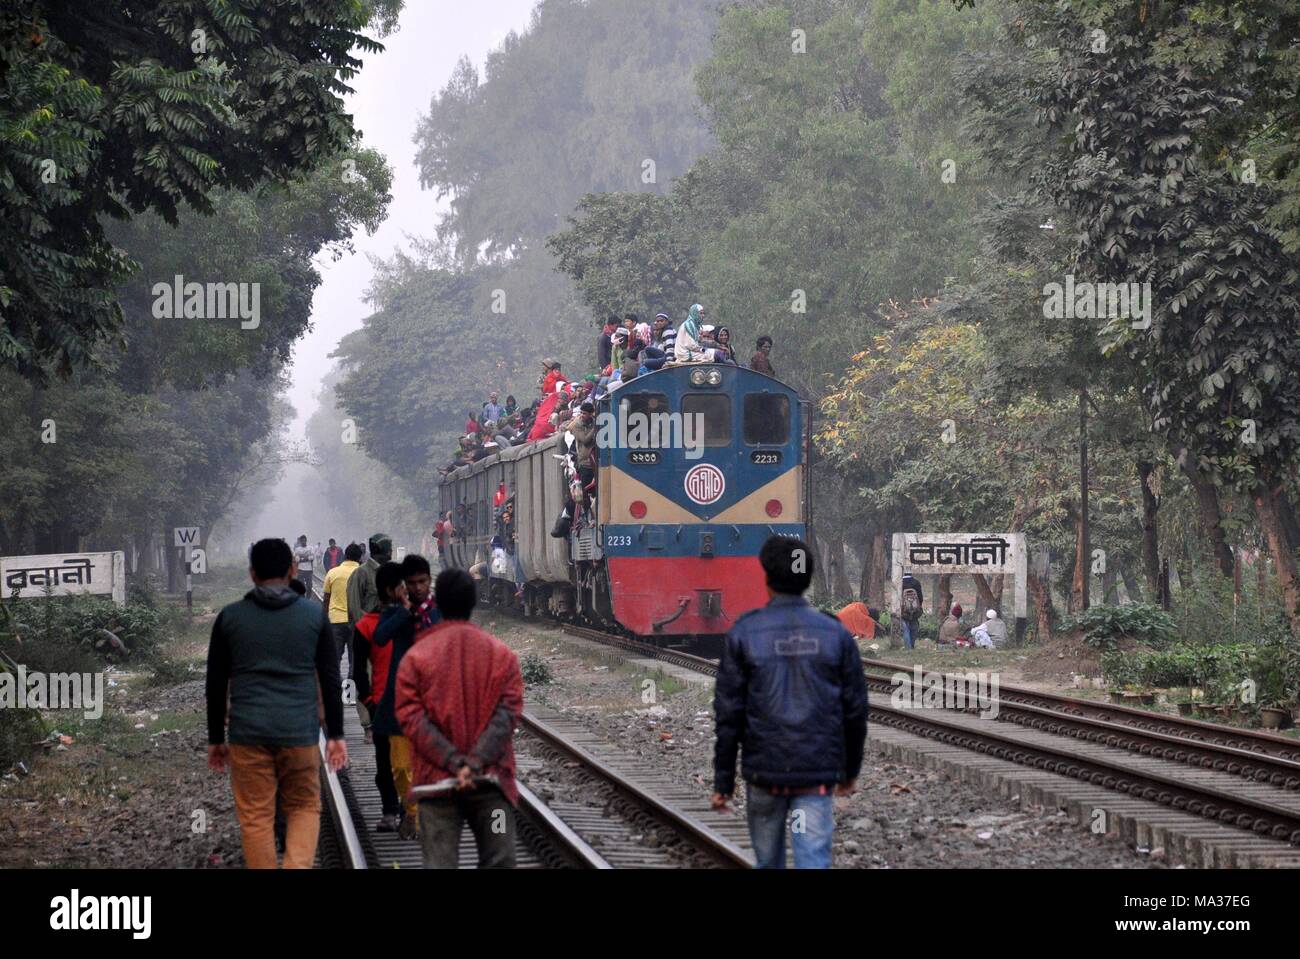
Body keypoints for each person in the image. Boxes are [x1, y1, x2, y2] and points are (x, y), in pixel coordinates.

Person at [711, 536, 868, 869]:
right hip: (816, 775)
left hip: (764, 774)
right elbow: (854, 710)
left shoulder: (745, 632)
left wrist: (723, 782)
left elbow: (729, 715)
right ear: (808, 579)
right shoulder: (836, 634)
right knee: (813, 860)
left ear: (766, 578)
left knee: (768, 863)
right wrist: (850, 770)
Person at [206, 538, 346, 869]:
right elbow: (330, 680)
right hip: (298, 733)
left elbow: (215, 686)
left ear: (252, 574)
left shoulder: (230, 618)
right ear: (293, 570)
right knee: (303, 806)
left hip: (247, 734)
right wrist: (337, 735)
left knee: (256, 816)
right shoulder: (314, 617)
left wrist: (215, 739)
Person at [395, 568, 524, 869]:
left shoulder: (416, 657)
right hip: (492, 786)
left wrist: (454, 763)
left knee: (439, 863)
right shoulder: (501, 655)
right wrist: (475, 763)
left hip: (436, 788)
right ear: (473, 602)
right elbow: (509, 713)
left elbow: (411, 718)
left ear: (437, 601)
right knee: (500, 859)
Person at [373, 554, 440, 839]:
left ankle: (417, 815)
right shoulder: (395, 613)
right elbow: (380, 637)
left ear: (429, 580)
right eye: (411, 584)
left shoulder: (439, 611)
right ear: (403, 586)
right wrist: (403, 610)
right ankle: (411, 810)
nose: (418, 588)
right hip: (400, 701)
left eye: (422, 582)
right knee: (400, 766)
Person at [352, 561, 405, 832]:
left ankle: (406, 811)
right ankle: (389, 811)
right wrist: (369, 701)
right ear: (390, 590)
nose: (407, 590)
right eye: (402, 586)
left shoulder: (414, 619)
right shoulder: (366, 626)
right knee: (385, 763)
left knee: (405, 763)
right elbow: (357, 670)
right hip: (383, 706)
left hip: (412, 704)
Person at [321, 543, 362, 666]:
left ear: (345, 556)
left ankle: (335, 683)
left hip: (335, 621)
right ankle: (352, 682)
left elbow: (326, 599)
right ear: (359, 557)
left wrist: (323, 620)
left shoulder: (333, 572)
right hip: (357, 621)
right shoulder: (362, 573)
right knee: (355, 658)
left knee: (334, 658)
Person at [347, 533, 392, 633]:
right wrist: (371, 625)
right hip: (368, 632)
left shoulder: (390, 571)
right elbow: (355, 608)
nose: (391, 552)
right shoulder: (361, 573)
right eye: (389, 548)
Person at [899, 572, 923, 650]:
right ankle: (912, 645)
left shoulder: (899, 582)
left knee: (905, 629)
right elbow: (920, 597)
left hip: (903, 610)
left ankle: (908, 647)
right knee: (914, 627)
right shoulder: (916, 582)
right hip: (915, 610)